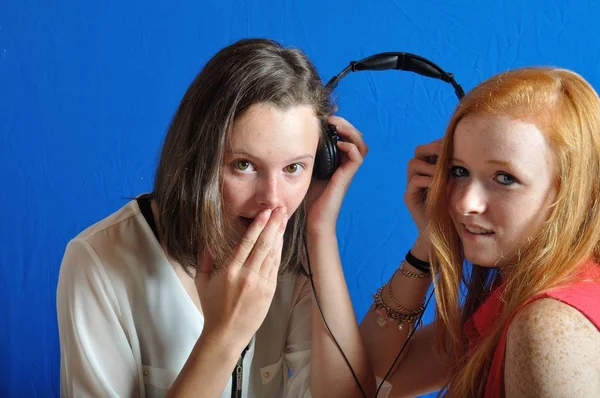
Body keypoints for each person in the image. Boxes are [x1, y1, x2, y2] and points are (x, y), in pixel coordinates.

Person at [57, 38, 375, 398]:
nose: (271, 198)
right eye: (243, 165)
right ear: (196, 159)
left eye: (293, 168)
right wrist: (224, 337)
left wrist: (320, 230)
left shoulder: (294, 253)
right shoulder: (96, 262)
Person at [360, 66, 600, 397]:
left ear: (575, 193)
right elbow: (367, 381)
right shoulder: (513, 298)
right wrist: (431, 239)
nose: (463, 203)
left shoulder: (550, 326)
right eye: (458, 171)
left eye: (505, 178)